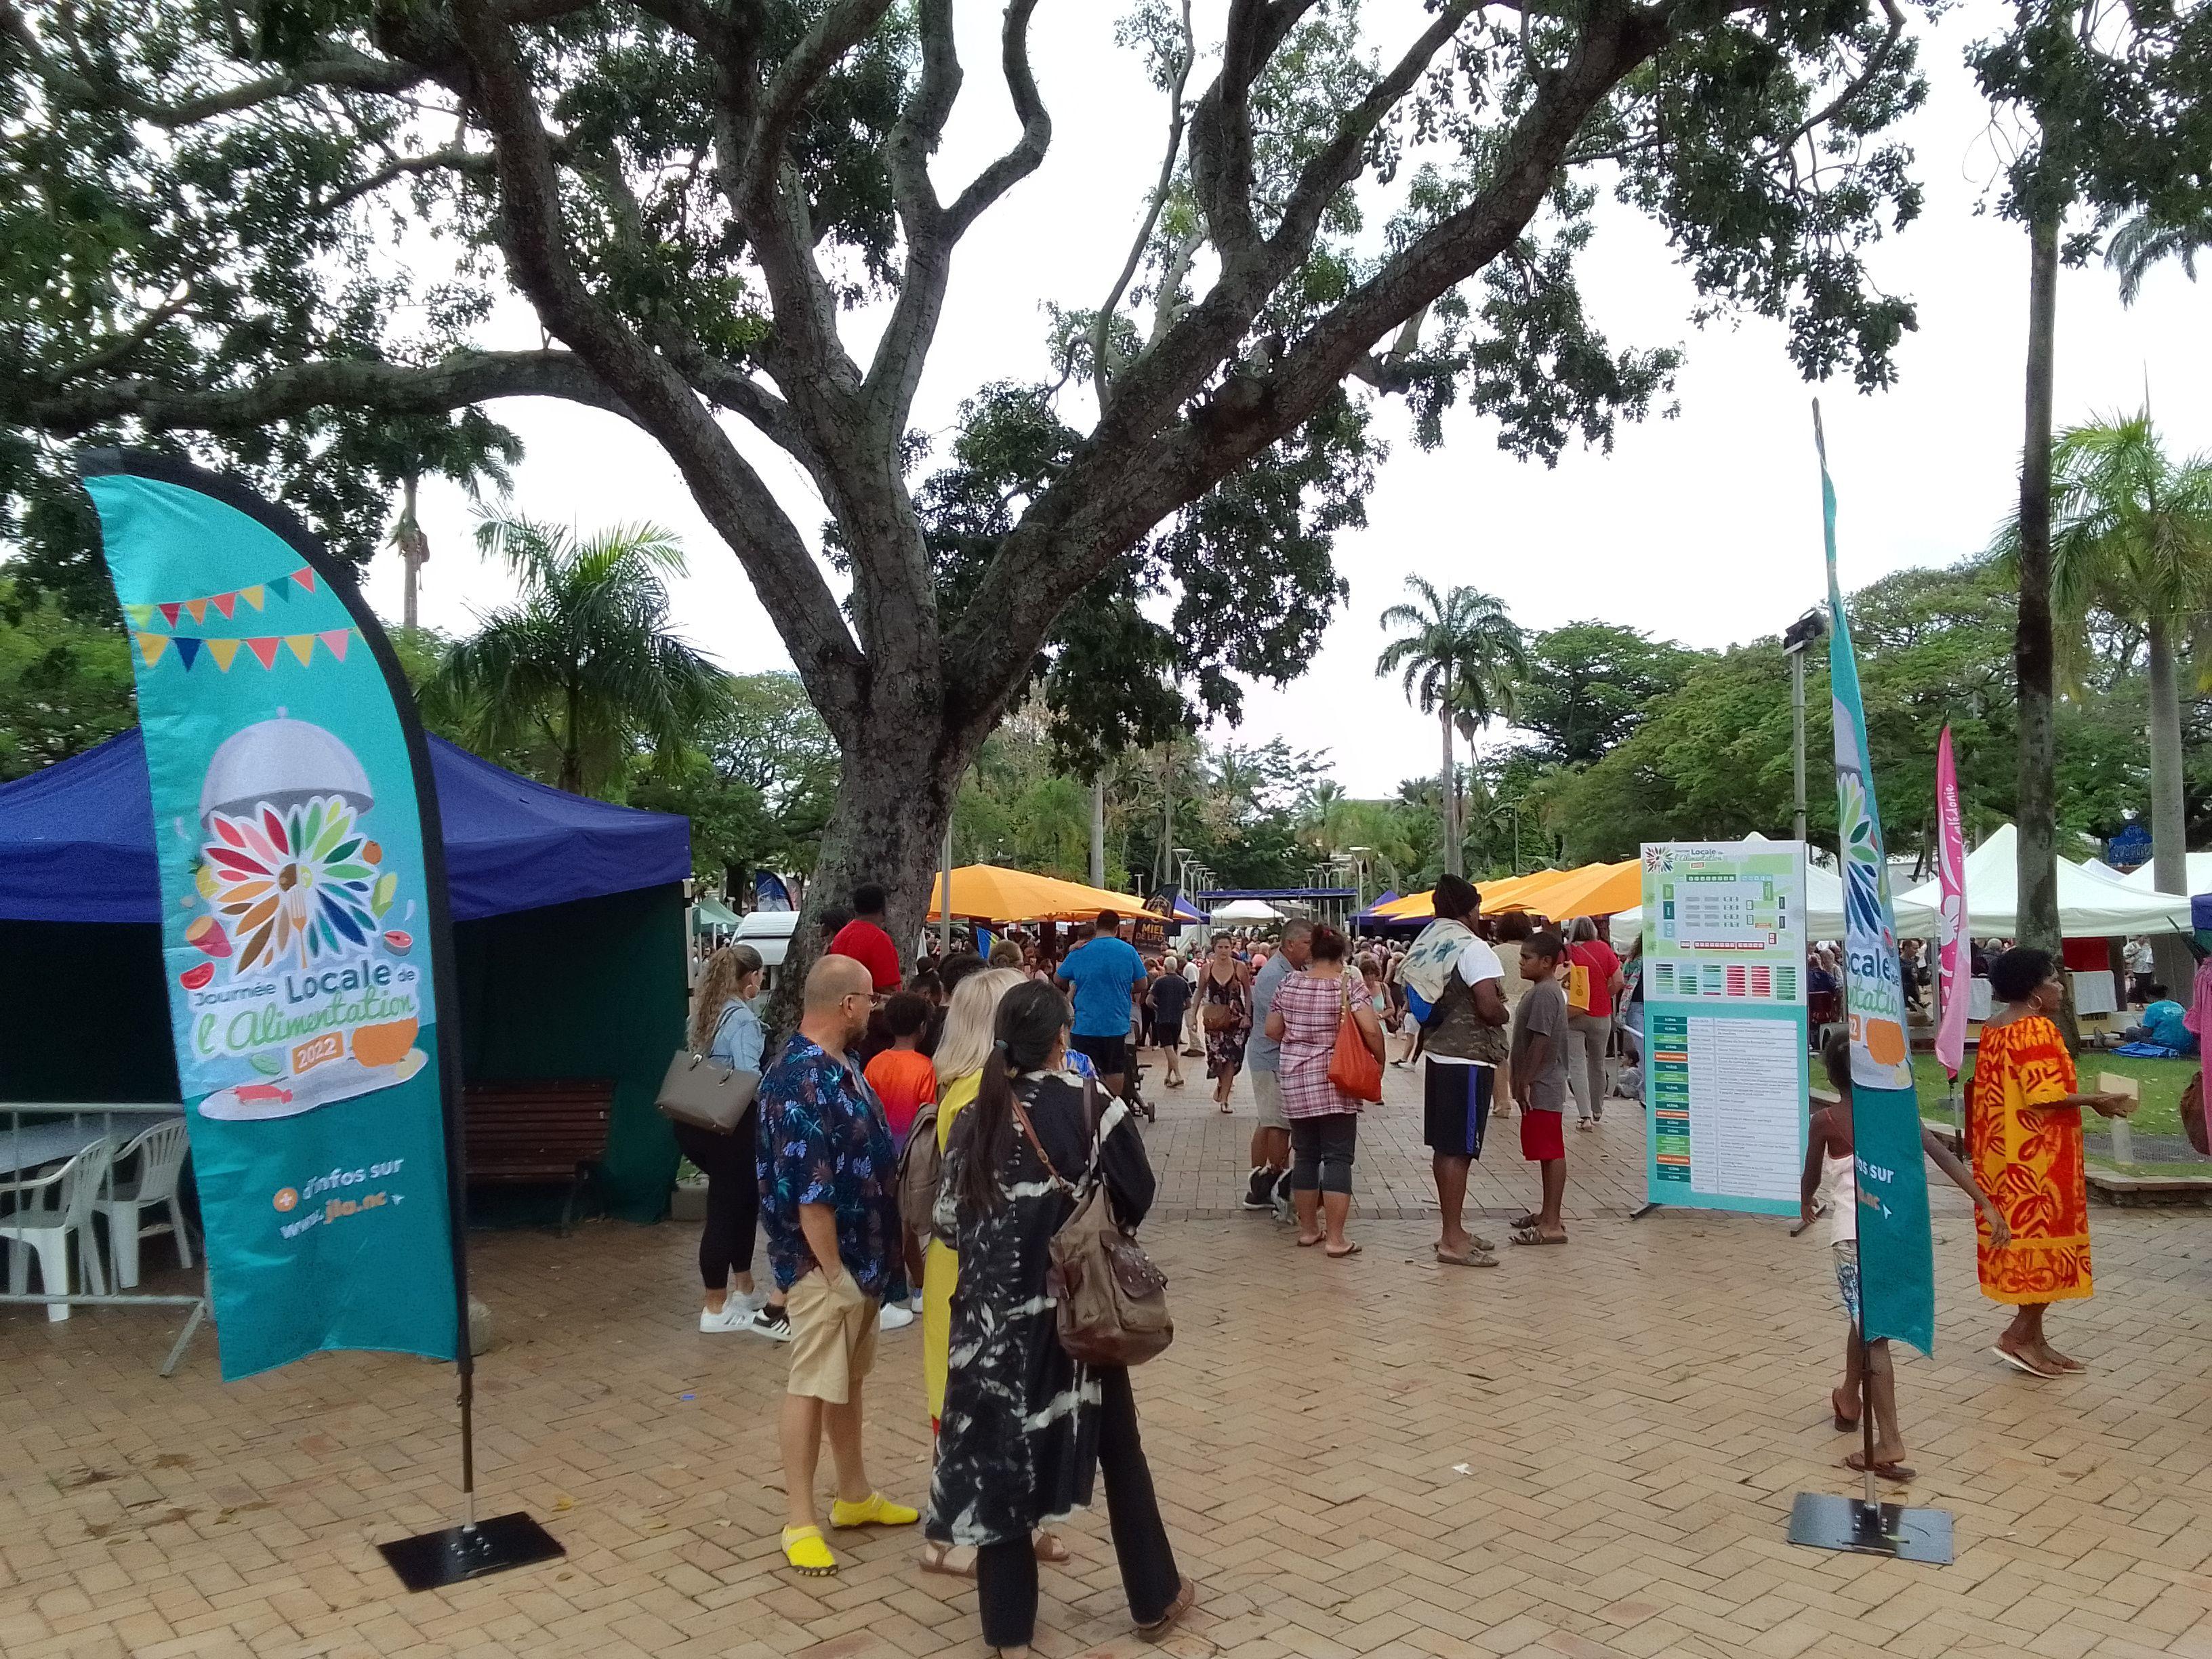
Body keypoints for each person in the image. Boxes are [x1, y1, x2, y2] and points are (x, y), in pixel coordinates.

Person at [926, 981, 1195, 1652]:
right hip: (1076, 1316)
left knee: (1000, 1467)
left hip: (987, 1329)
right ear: (1060, 1040)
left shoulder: (972, 1115)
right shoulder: (1089, 1103)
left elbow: (948, 1227)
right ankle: (1155, 1597)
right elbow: (1137, 1192)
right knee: (1119, 1448)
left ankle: (1008, 1636)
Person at [757, 955, 917, 1576]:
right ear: (848, 1003)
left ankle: (853, 1495)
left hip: (861, 1260)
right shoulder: (798, 1080)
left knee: (846, 1379)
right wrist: (832, 1274)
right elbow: (809, 1193)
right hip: (828, 1266)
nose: (875, 1008)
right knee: (812, 1383)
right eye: (870, 999)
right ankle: (800, 1518)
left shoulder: (841, 1067)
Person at [1799, 1031, 2009, 1481]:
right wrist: (1986, 1204)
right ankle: (1850, 1397)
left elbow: (1810, 1174)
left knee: (1873, 1332)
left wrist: (1805, 1203)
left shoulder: (1826, 1120)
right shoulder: (1898, 1118)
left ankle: (1890, 1441)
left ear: (1830, 1075)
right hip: (1894, 1236)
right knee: (1864, 1319)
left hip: (1852, 1241)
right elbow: (1946, 1159)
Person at [1970, 946, 2131, 1378]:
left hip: (2004, 1158)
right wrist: (2098, 1100)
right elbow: (2046, 1096)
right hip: (2040, 1161)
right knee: (2045, 1247)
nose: (2061, 987)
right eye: (2054, 980)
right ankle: (2020, 1334)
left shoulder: (1994, 1027)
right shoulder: (2035, 1029)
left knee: (2028, 1249)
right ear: (2034, 991)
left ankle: (2036, 1338)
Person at [1403, 876, 1511, 1267]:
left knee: (1445, 1146)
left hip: (1439, 1054)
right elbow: (1486, 1004)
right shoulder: (1473, 947)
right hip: (1468, 1057)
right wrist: (1503, 1011)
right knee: (1460, 1150)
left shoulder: (1431, 940)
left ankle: (1454, 1228)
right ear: (1471, 910)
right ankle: (1451, 1238)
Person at [1267, 925, 1385, 1257]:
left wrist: (1300, 1043)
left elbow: (1272, 1029)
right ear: (1342, 954)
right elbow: (1371, 1030)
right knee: (1337, 1158)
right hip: (1337, 1081)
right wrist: (1379, 1061)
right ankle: (1336, 1238)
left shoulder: (1288, 983)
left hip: (1295, 1081)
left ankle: (1308, 1231)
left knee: (1305, 1155)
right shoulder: (1348, 986)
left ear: (1312, 951)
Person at [676, 945, 770, 1333]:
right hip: (731, 1127)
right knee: (726, 1209)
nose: (762, 983)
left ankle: (744, 1288)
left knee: (740, 1201)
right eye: (761, 976)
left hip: (696, 1121)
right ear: (749, 979)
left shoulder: (702, 1014)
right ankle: (715, 1306)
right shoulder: (744, 1022)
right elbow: (748, 1078)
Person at [864, 991, 937, 1332]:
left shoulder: (874, 1064)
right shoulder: (927, 1068)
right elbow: (928, 1118)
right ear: (923, 1027)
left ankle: (893, 1288)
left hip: (880, 1155)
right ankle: (919, 1287)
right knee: (910, 1227)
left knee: (887, 1222)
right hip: (914, 1158)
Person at [1242, 920, 1312, 1213]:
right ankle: (1271, 1185)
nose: (1311, 949)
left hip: (1268, 1056)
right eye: (1307, 943)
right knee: (1278, 1125)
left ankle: (1260, 1185)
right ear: (1291, 943)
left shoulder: (1285, 971)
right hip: (1271, 1057)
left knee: (1268, 1121)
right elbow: (1277, 1025)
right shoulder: (1276, 975)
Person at [1508, 931, 1571, 1246]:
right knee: (1546, 1151)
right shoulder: (1543, 990)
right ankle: (1548, 1214)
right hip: (1541, 1081)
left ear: (1547, 963)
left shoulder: (1546, 993)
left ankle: (1552, 1223)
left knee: (1551, 1150)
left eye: (1526, 958)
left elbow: (1541, 1041)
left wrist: (1526, 1081)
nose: (1521, 963)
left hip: (1543, 1083)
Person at [1054, 910, 1149, 1101]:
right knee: (1114, 1068)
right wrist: (1125, 986)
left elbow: (1058, 978)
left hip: (1085, 1025)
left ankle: (1089, 1107)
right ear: (1117, 928)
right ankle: (1112, 1105)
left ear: (1097, 926)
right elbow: (1142, 984)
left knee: (1084, 1070)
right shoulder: (1127, 951)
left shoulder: (1080, 951)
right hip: (1116, 1024)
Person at [1562, 918, 1622, 1130]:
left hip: (1574, 1014)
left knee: (1576, 1063)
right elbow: (1619, 980)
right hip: (1601, 1014)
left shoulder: (1566, 951)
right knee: (1597, 1063)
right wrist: (1605, 995)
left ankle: (1584, 1115)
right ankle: (1598, 1109)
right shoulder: (1604, 949)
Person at [1200, 933, 1251, 1114]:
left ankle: (1225, 1099)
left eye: (1226, 947)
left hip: (1236, 1019)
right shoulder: (1207, 968)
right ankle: (1221, 1084)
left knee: (1231, 1058)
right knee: (1217, 1059)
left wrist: (1248, 1015)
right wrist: (1192, 1016)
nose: (1223, 951)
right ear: (1214, 948)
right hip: (1215, 1020)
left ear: (1232, 948)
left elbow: (1248, 992)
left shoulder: (1240, 967)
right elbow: (1199, 992)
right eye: (1220, 947)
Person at [827, 882, 903, 994]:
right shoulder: (879, 939)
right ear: (883, 909)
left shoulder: (841, 936)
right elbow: (888, 989)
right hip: (868, 1009)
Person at [1145, 953, 1189, 1088]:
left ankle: (1178, 1075)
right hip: (1177, 1019)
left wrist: (1158, 1008)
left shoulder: (1159, 982)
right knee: (1173, 1048)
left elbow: (1149, 1001)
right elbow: (1188, 1004)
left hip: (1163, 1018)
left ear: (1164, 966)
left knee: (1168, 1047)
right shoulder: (1183, 982)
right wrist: (1179, 1008)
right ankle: (1168, 1077)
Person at [2123, 989, 2197, 1053]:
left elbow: (2146, 1033)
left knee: (2130, 1031)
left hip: (2164, 1044)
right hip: (2186, 1044)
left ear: (2148, 996)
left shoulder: (2152, 1007)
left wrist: (2140, 1028)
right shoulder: (2177, 1005)